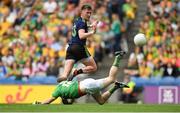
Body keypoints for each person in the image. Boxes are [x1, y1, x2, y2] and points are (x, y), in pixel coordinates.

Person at [33, 51, 129, 105]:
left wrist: (40, 104)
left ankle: (117, 58)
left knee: (111, 79)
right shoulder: (63, 85)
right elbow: (71, 76)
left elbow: (49, 101)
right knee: (101, 101)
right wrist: (76, 72)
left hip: (87, 86)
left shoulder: (57, 92)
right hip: (85, 84)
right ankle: (116, 87)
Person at [57, 4, 98, 82]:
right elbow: (81, 36)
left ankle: (64, 77)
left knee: (65, 74)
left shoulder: (77, 21)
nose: (89, 15)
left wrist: (91, 26)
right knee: (93, 67)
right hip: (80, 48)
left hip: (71, 48)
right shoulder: (82, 23)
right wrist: (92, 32)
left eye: (90, 13)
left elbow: (82, 27)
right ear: (81, 12)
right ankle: (77, 71)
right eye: (87, 13)